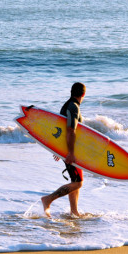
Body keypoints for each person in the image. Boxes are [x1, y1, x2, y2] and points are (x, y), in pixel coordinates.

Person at [41, 82, 86, 217]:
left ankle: (74, 211)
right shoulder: (74, 106)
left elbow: (59, 129)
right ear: (83, 94)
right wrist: (70, 153)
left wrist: (57, 149)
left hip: (67, 148)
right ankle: (48, 199)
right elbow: (70, 130)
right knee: (78, 183)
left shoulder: (68, 105)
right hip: (70, 150)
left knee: (75, 180)